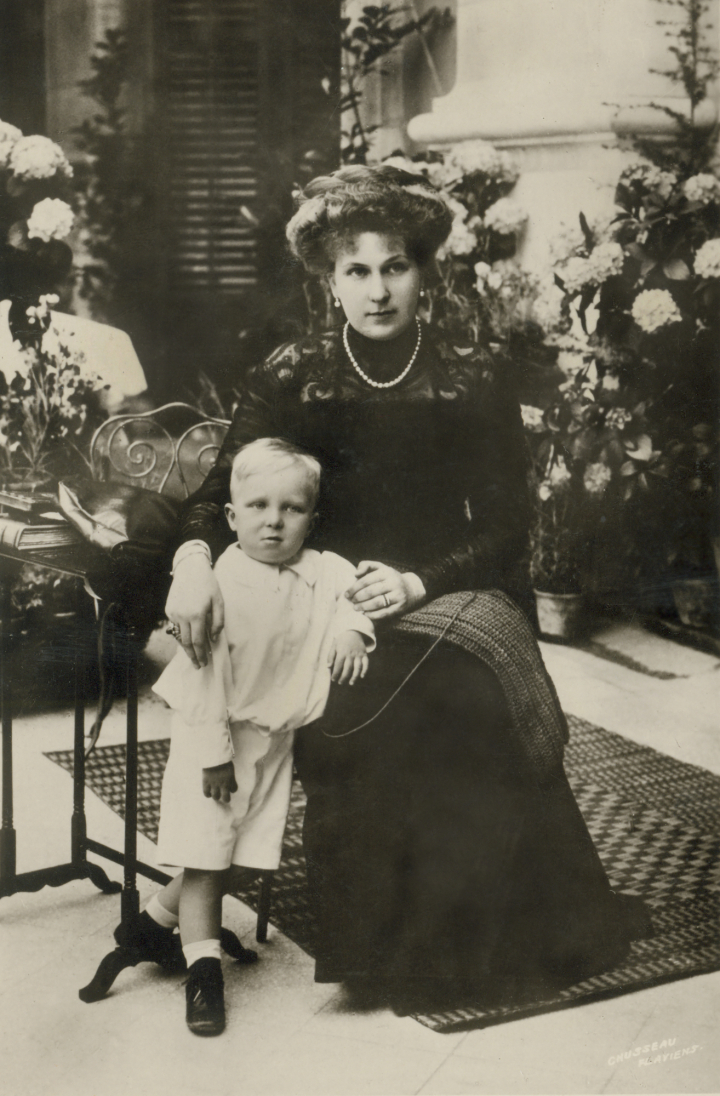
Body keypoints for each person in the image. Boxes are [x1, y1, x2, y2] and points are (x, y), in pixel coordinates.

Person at [148, 164, 650, 1013]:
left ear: (426, 271)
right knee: (358, 706)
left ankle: (476, 949)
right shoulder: (292, 373)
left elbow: (503, 525)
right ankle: (380, 953)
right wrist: (194, 566)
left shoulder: (471, 371)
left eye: (395, 267)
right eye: (357, 270)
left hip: (445, 587)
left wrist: (420, 580)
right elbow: (213, 497)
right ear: (328, 278)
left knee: (465, 697)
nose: (377, 290)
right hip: (317, 593)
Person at [144, 438, 375, 1035]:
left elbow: (354, 597)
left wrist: (351, 629)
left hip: (275, 741)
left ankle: (153, 920)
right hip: (214, 738)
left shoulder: (322, 570)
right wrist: (217, 757)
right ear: (231, 516)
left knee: (245, 858)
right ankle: (204, 976)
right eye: (258, 507)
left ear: (313, 518)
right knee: (206, 856)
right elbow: (203, 680)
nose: (274, 521)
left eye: (292, 508)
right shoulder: (221, 580)